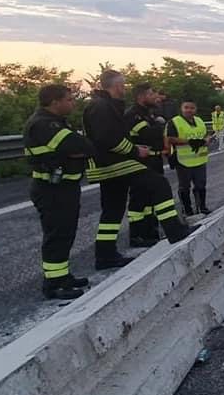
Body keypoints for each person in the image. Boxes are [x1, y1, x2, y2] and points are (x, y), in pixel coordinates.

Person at [84, 70, 192, 269]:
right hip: (113, 162)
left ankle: (105, 256)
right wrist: (135, 150)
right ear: (116, 86)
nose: (124, 89)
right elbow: (107, 138)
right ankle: (174, 230)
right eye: (123, 85)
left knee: (112, 211)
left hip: (110, 162)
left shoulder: (107, 106)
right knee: (158, 184)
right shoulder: (101, 107)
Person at [23, 84, 95, 299]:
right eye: (69, 99)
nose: (73, 103)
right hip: (51, 189)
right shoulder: (44, 124)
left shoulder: (57, 123)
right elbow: (82, 145)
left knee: (65, 234)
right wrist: (77, 151)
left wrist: (76, 152)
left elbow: (84, 147)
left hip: (64, 187)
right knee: (56, 235)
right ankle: (53, 285)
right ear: (55, 102)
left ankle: (63, 277)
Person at [125, 83, 166, 248]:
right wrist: (160, 125)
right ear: (141, 97)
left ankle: (150, 232)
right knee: (139, 199)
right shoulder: (133, 114)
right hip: (141, 161)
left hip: (154, 160)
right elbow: (149, 135)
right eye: (151, 94)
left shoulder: (148, 113)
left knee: (151, 200)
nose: (154, 97)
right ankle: (136, 236)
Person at [167, 99, 212, 215]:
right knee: (184, 187)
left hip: (200, 160)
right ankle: (187, 210)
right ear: (181, 109)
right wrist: (190, 142)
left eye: (192, 108)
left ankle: (202, 207)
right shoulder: (174, 122)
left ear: (195, 109)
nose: (189, 110)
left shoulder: (199, 120)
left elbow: (206, 134)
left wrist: (207, 140)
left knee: (201, 185)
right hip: (183, 161)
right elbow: (170, 138)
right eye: (186, 107)